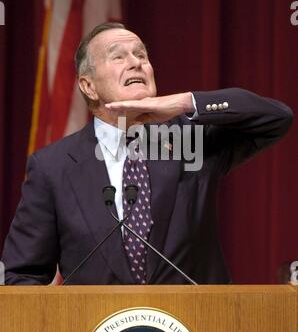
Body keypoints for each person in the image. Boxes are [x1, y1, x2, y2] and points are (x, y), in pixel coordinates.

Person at [1, 22, 293, 285]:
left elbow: (276, 118)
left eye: (141, 55)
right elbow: (21, 275)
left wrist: (184, 103)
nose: (135, 63)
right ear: (88, 86)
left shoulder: (193, 139)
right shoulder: (53, 167)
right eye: (118, 56)